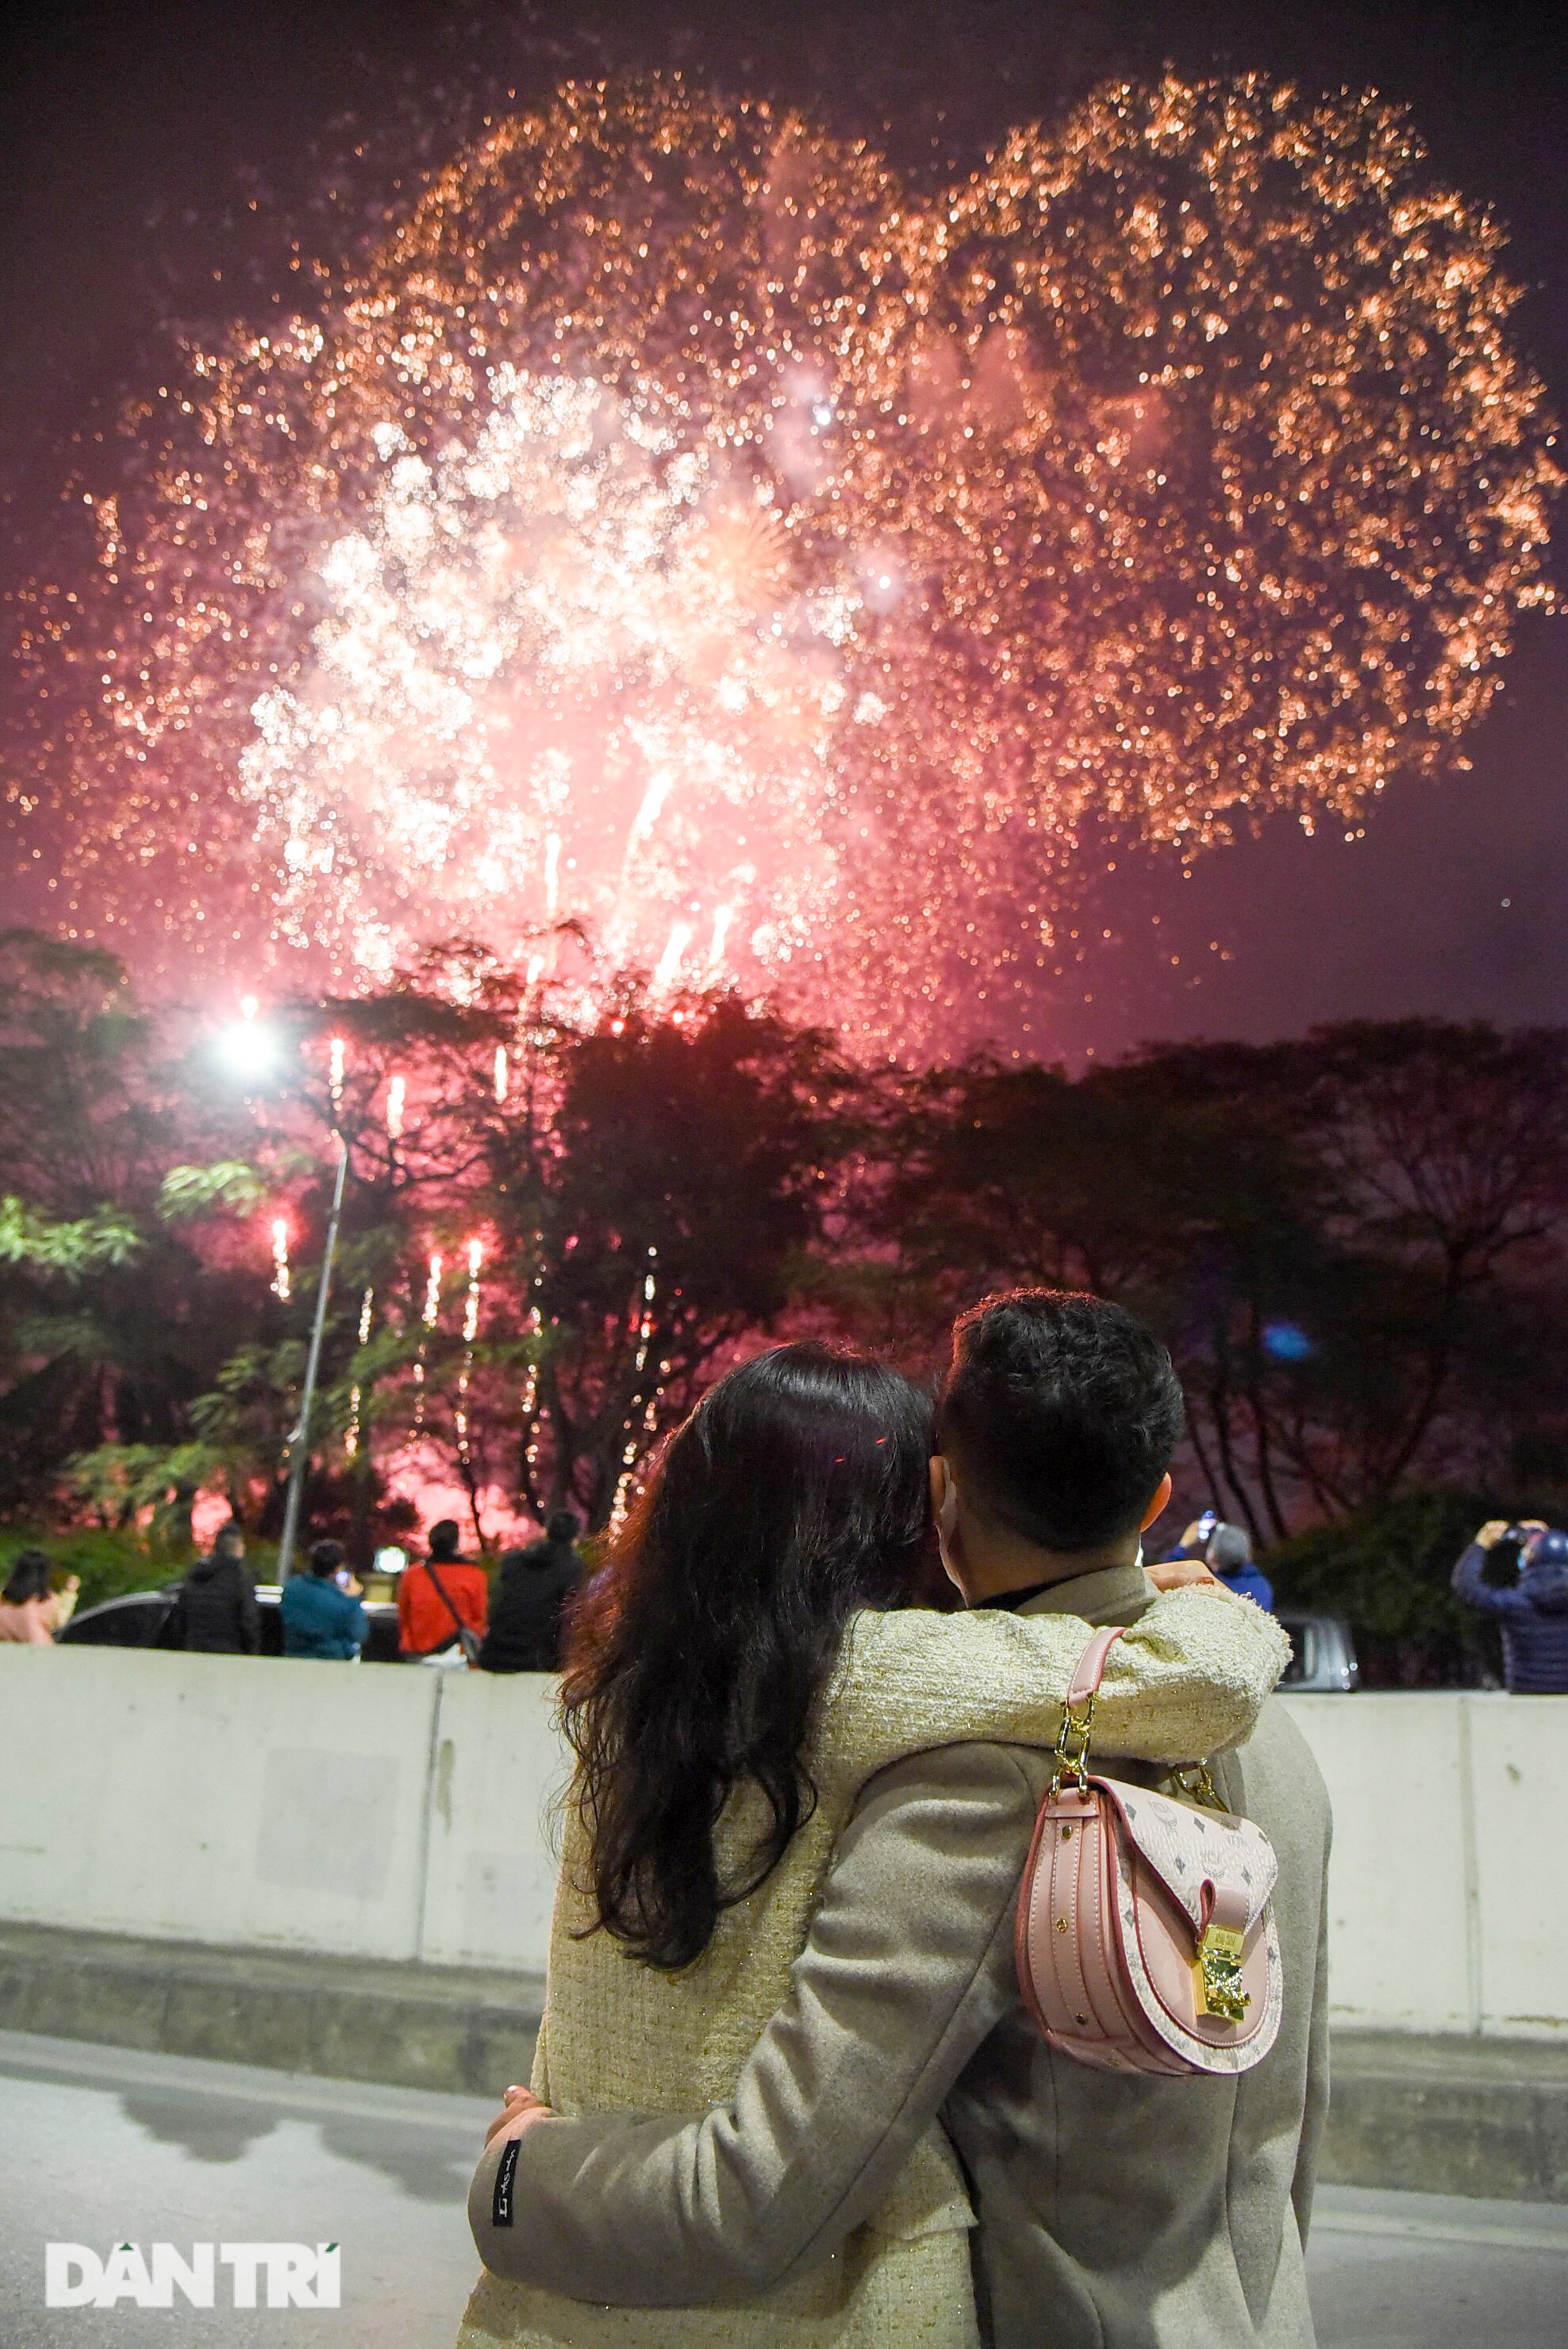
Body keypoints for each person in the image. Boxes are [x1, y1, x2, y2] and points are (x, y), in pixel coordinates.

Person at [456, 1324, 1291, 2349]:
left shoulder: (631, 1693)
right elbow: (1287, 2122)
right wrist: (1194, 1602)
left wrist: (520, 2175)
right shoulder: (899, 1687)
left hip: (576, 2298)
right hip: (867, 2304)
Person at [1453, 1519, 1568, 1694]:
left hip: (1525, 1699)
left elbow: (1467, 1585)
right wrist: (1545, 1540)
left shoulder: (1514, 1604)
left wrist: (1481, 1545)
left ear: (1529, 1560)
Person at [479, 1512, 583, 1674]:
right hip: (539, 1659)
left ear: (546, 1532)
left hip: (496, 1653)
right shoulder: (573, 1570)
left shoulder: (513, 1562)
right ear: (574, 1538)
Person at [398, 1517, 490, 1664]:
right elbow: (479, 1617)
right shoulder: (474, 1575)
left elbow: (404, 1616)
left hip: (418, 1653)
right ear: (456, 1543)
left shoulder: (412, 1576)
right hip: (459, 1653)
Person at [164, 1521, 259, 1655]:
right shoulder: (240, 1579)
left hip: (194, 1654)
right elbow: (249, 1622)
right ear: (237, 1547)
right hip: (228, 1658)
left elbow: (179, 1620)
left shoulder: (195, 1576)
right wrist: (252, 1654)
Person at [280, 1538, 370, 1661]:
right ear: (337, 1569)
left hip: (293, 1657)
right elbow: (358, 1633)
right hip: (330, 1660)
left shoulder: (291, 1588)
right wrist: (354, 1598)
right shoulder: (341, 1601)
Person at [0, 1551, 79, 1644]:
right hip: (40, 1652)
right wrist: (70, 1592)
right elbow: (59, 1621)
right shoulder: (44, 1599)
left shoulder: (4, 1598)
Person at [1207, 1520, 1276, 1612]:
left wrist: (1183, 1547)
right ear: (1248, 1556)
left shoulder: (1211, 1589)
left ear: (1212, 1557)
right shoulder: (1262, 1585)